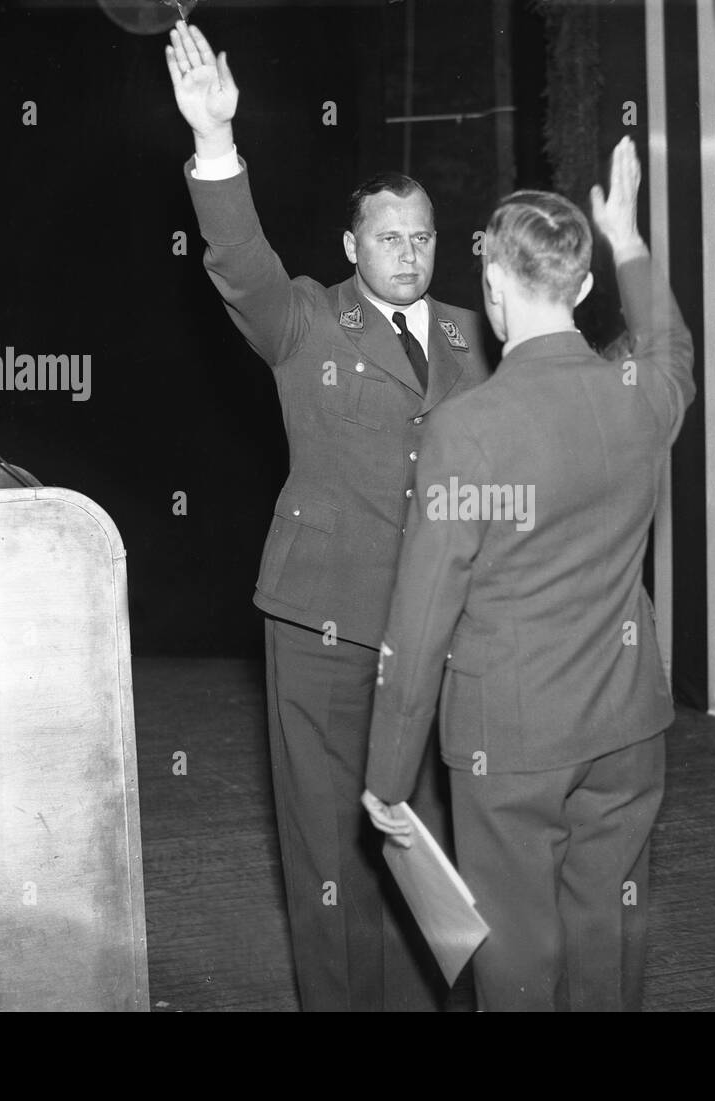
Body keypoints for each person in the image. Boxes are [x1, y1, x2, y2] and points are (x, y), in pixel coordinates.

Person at [165, 21, 490, 1010]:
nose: (408, 252)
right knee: (325, 844)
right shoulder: (304, 317)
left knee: (423, 841)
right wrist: (216, 144)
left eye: (423, 235)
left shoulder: (479, 338)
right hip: (322, 622)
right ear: (353, 246)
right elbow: (238, 261)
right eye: (388, 236)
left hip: (439, 630)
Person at [361, 137, 695, 1011]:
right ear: (583, 289)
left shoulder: (467, 428)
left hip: (508, 740)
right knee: (605, 946)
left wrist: (389, 779)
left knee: (515, 969)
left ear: (494, 290)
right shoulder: (640, 396)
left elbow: (421, 620)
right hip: (627, 728)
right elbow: (672, 347)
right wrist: (626, 235)